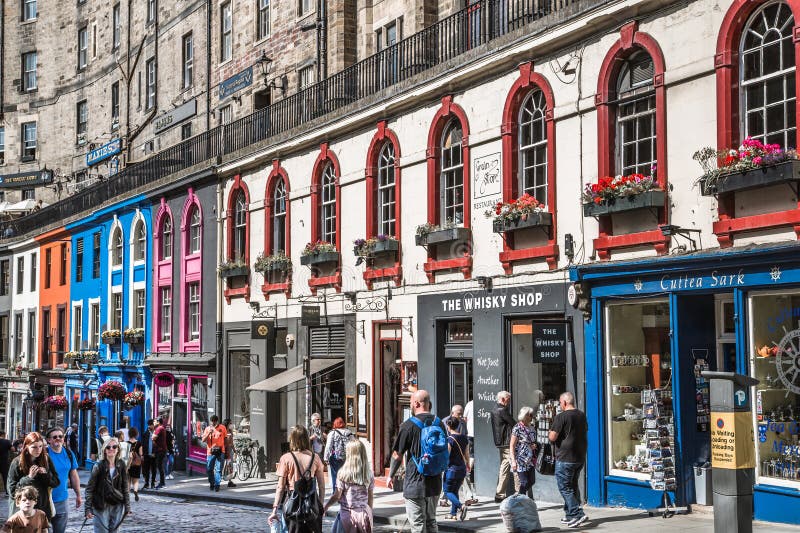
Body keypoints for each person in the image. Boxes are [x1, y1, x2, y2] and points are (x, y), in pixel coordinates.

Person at [387, 389, 446, 533]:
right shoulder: (439, 423)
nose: (411, 405)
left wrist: (391, 475)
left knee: (418, 525)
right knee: (431, 521)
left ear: (417, 403)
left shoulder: (408, 426)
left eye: (411, 403)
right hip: (435, 482)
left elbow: (397, 455)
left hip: (415, 483)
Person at [268, 425, 325, 533]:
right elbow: (321, 486)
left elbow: (280, 487)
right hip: (312, 503)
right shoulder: (315, 457)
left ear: (292, 439)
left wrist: (274, 509)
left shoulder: (286, 458)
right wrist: (320, 506)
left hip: (291, 503)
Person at [549, 391, 589, 528]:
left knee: (565, 487)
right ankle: (570, 515)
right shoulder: (581, 415)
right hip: (579, 457)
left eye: (560, 403)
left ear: (565, 402)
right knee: (572, 485)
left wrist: (551, 431)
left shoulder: (561, 416)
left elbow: (552, 437)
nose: (560, 405)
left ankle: (577, 513)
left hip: (565, 457)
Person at [6, 432, 59, 523]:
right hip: (21, 513)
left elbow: (56, 482)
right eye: (34, 447)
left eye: (40, 446)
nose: (38, 450)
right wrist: (29, 478)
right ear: (26, 447)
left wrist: (45, 475)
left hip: (41, 510)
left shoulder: (45, 459)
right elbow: (11, 491)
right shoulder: (17, 462)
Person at [323, 439, 374, 533]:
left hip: (346, 515)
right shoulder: (368, 474)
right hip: (363, 514)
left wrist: (326, 506)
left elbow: (337, 495)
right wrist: (369, 512)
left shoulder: (343, 473)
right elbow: (370, 496)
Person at [85, 438, 130, 533]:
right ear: (104, 450)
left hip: (117, 503)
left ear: (118, 449)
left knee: (115, 531)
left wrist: (127, 506)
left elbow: (125, 487)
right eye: (108, 447)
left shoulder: (121, 464)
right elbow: (90, 488)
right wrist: (88, 508)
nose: (111, 449)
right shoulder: (98, 466)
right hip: (101, 504)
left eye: (114, 447)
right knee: (101, 531)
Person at [45, 427, 81, 533]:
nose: (58, 439)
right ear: (48, 440)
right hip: (45, 500)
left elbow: (74, 475)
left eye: (60, 436)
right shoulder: (44, 454)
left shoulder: (69, 454)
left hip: (62, 500)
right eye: (54, 437)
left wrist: (78, 495)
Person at [490, 391, 518, 501]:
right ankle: (519, 492)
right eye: (508, 400)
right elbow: (513, 424)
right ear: (502, 399)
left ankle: (499, 494)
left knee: (504, 466)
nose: (509, 402)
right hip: (507, 443)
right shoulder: (502, 410)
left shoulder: (494, 409)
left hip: (500, 443)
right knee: (515, 466)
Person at [442, 417, 469, 521]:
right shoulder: (464, 438)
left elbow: (447, 454)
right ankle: (453, 514)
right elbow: (466, 453)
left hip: (451, 470)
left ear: (448, 427)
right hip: (462, 469)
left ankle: (461, 506)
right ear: (458, 426)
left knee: (447, 491)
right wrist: (468, 465)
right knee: (455, 491)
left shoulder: (449, 439)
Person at [510, 407, 537, 498]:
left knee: (532, 480)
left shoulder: (532, 427)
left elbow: (532, 441)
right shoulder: (517, 428)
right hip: (520, 459)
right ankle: (520, 500)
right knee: (524, 482)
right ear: (525, 416)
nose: (532, 417)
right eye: (530, 415)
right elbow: (512, 445)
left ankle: (519, 498)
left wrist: (534, 445)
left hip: (530, 459)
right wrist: (513, 461)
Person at [324, 418, 353, 493]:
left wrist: (326, 458)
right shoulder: (349, 433)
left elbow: (328, 446)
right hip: (347, 457)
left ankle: (336, 492)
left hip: (335, 458)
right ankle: (345, 491)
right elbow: (354, 444)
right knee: (346, 474)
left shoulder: (332, 433)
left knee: (335, 475)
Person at [201, 415, 227, 492]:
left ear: (217, 421)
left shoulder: (222, 428)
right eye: (212, 422)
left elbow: (225, 439)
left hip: (220, 451)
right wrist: (209, 433)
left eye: (214, 422)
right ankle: (212, 483)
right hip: (210, 452)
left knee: (218, 469)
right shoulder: (207, 429)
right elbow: (203, 440)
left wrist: (224, 449)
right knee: (209, 469)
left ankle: (217, 485)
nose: (213, 423)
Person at [126, 427, 143, 502]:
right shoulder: (139, 443)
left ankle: (127, 494)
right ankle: (135, 491)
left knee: (128, 480)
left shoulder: (126, 443)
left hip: (129, 463)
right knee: (135, 480)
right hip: (136, 464)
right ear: (136, 434)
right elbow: (141, 454)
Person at [151, 418, 167, 489]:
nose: (153, 422)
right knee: (159, 466)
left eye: (154, 421)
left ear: (158, 422)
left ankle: (162, 483)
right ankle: (162, 482)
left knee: (160, 466)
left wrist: (153, 435)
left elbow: (153, 438)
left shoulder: (159, 428)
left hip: (160, 450)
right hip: (160, 450)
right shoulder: (160, 428)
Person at [141, 420, 156, 489]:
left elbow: (158, 445)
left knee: (154, 470)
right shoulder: (145, 434)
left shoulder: (156, 433)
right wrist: (143, 455)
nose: (149, 426)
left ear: (153, 425)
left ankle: (153, 483)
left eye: (151, 425)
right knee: (146, 470)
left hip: (154, 455)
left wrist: (155, 453)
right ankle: (146, 483)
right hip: (147, 455)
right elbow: (143, 445)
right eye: (149, 425)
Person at [222, 419, 236, 488]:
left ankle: (230, 481)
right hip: (223, 450)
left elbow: (232, 442)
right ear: (227, 424)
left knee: (229, 466)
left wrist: (234, 450)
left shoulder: (230, 431)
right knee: (220, 466)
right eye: (230, 423)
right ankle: (216, 482)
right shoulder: (222, 431)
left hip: (229, 451)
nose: (231, 424)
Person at [0, 432, 12, 496]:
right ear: (3, 435)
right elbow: (13, 449)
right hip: (4, 462)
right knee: (5, 477)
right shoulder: (6, 441)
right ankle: (7, 492)